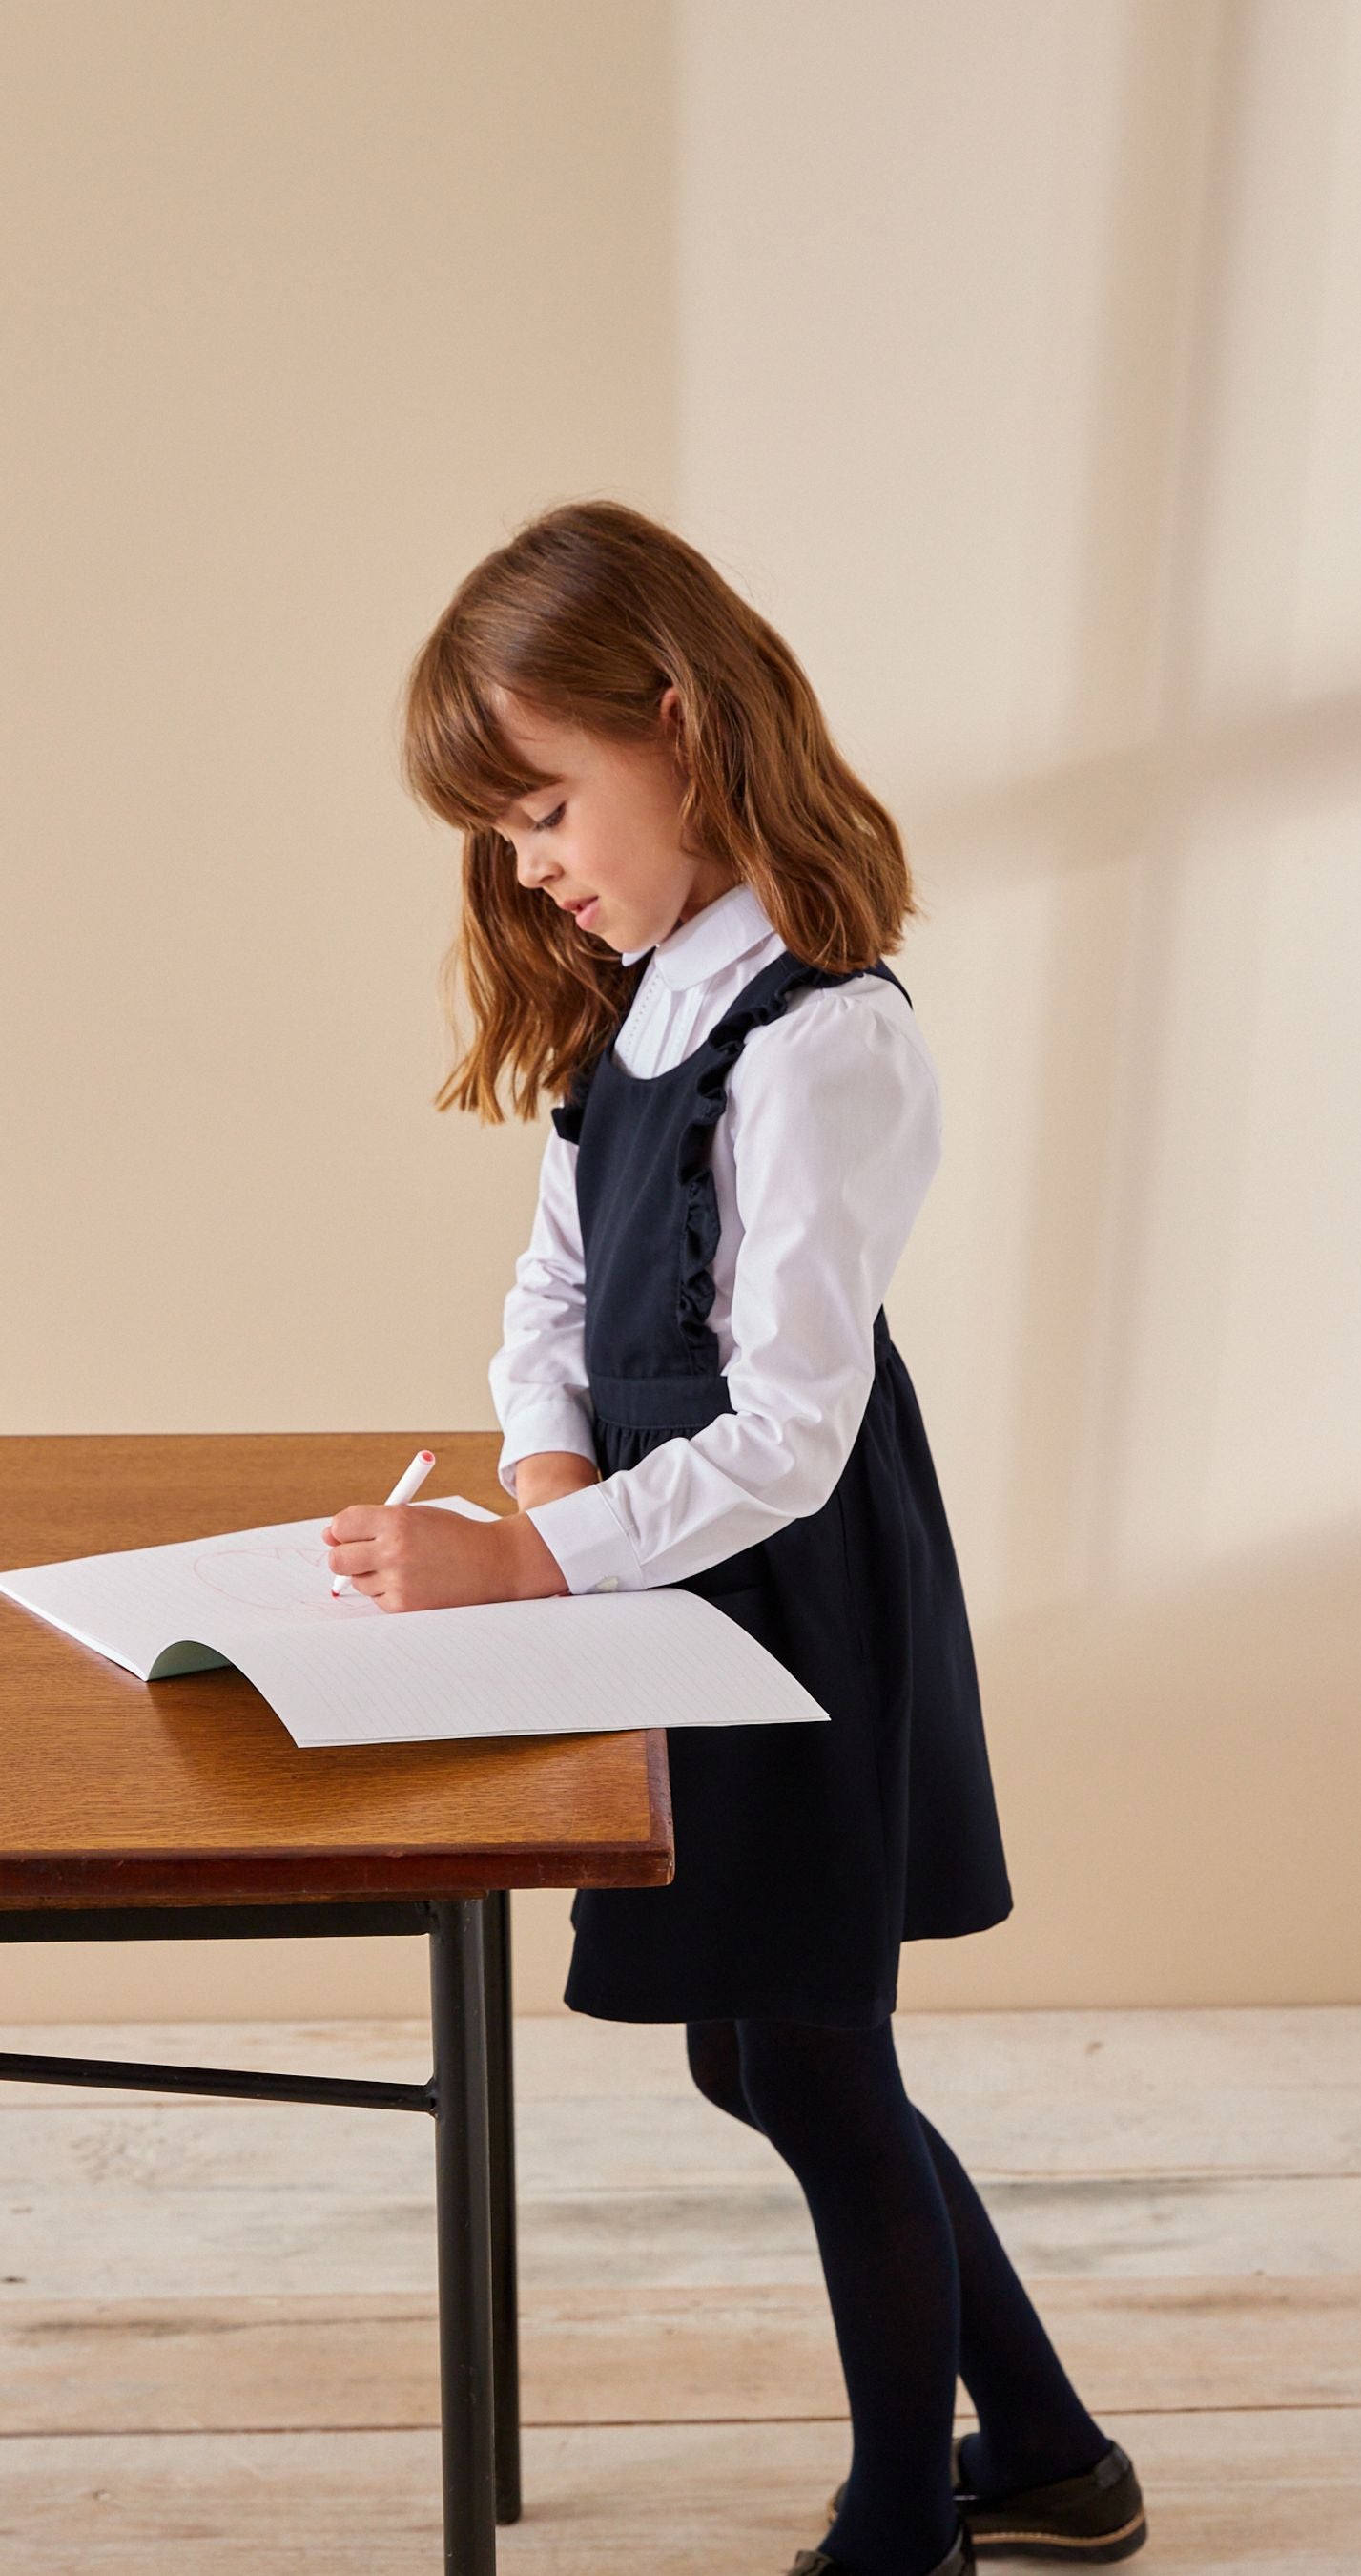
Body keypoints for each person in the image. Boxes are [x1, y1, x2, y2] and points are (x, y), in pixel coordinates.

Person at [323, 498, 1146, 2576]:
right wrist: (543, 1483)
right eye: (504, 838)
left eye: (546, 811)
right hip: (652, 1569)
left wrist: (538, 1571)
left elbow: (792, 1427)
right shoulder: (636, 1000)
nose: (533, 868)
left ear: (675, 726)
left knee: (810, 2054)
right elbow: (551, 1300)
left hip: (786, 1599)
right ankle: (1045, 2445)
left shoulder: (822, 1034)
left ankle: (910, 2521)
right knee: (761, 2050)